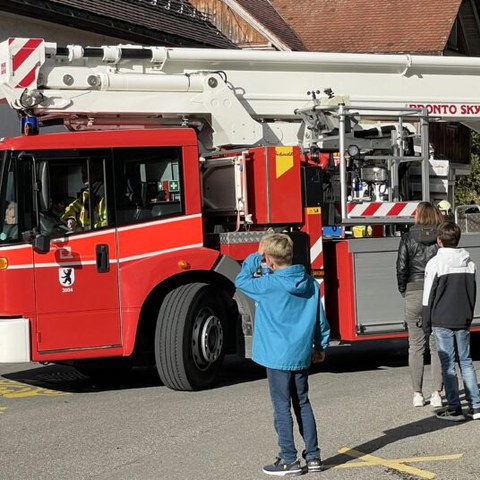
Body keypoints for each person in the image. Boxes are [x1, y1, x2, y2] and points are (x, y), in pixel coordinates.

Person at [235, 233, 330, 476]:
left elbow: (241, 280)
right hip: (300, 353)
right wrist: (320, 346)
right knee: (303, 403)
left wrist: (255, 258)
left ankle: (288, 459)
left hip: (276, 356)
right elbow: (320, 320)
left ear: (270, 259)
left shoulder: (268, 285)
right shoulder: (309, 282)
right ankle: (314, 456)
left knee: (281, 406)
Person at [422, 222, 480, 421]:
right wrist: (469, 315)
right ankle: (476, 406)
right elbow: (472, 293)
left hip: (441, 318)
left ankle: (454, 407)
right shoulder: (469, 262)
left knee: (447, 364)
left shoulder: (435, 264)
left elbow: (428, 296)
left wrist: (426, 322)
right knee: (466, 362)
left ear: (439, 240)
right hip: (463, 318)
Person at [396, 201, 444, 408]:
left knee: (415, 346)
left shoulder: (407, 237)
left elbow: (401, 267)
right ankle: (437, 393)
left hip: (414, 292)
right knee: (436, 346)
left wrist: (404, 290)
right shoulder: (441, 237)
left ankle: (417, 393)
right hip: (437, 293)